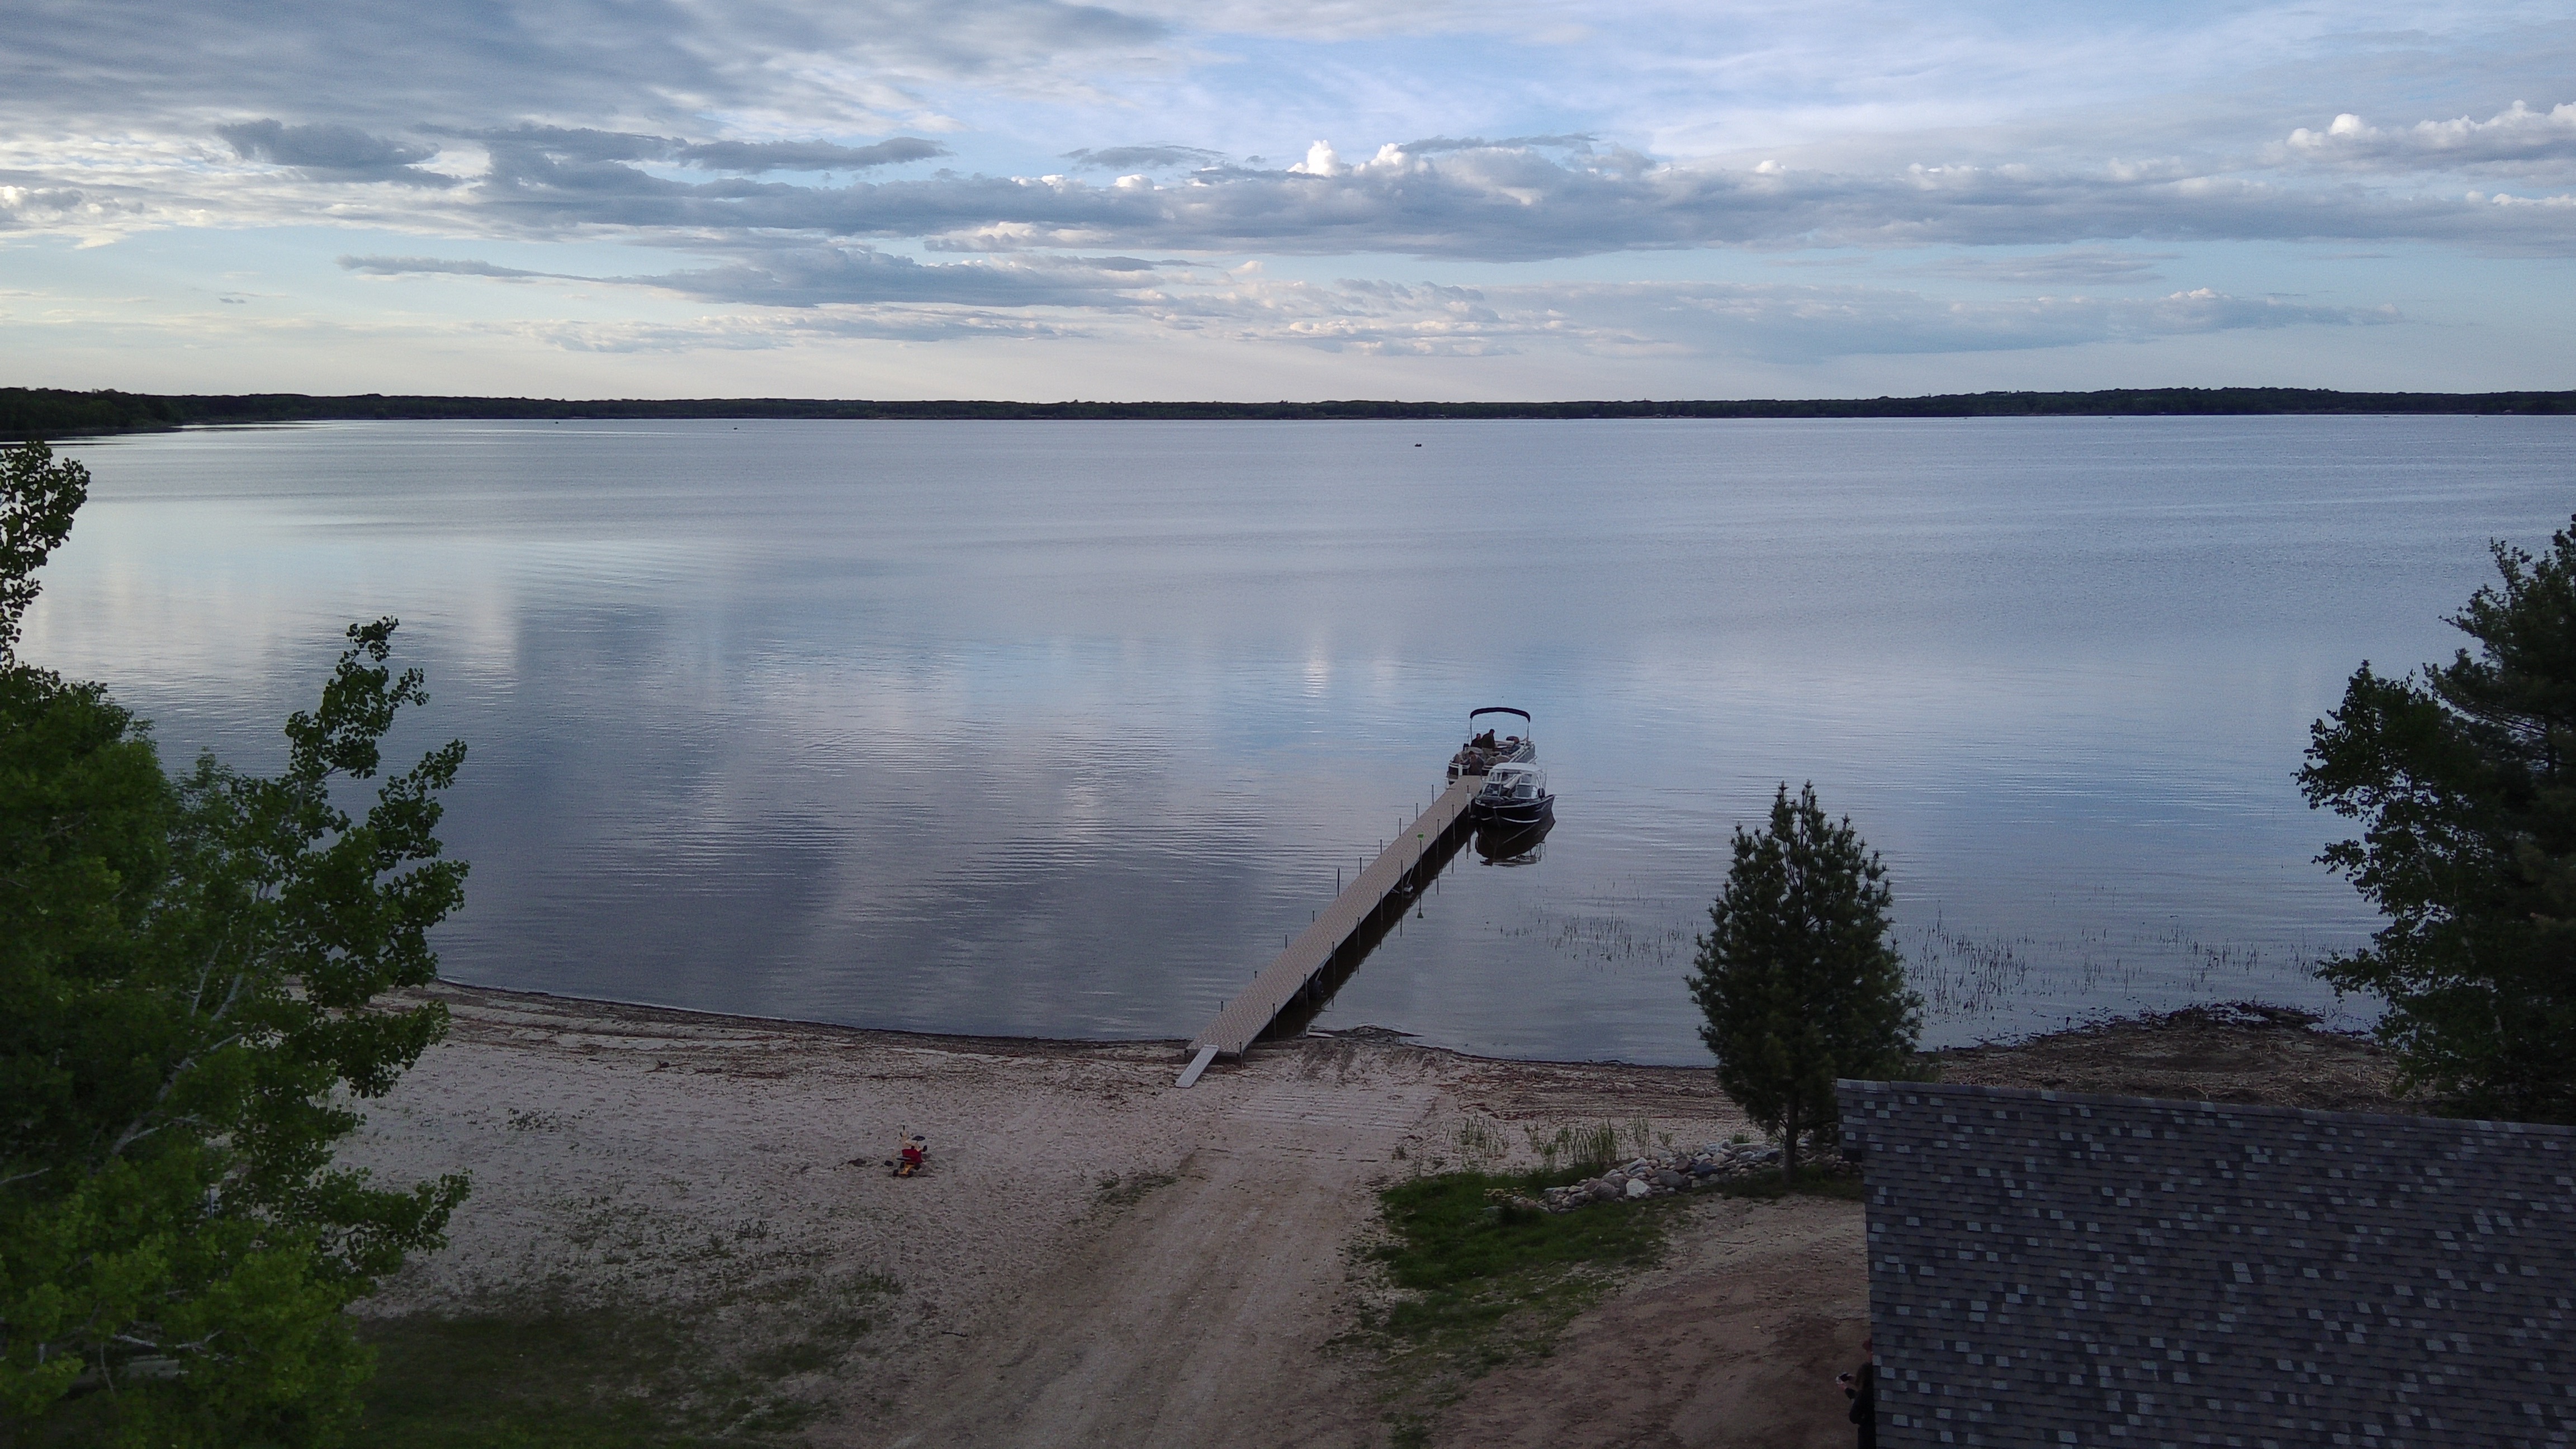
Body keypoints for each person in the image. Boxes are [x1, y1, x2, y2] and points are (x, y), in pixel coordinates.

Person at [1839, 1335, 1877, 1448]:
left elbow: (1854, 1416)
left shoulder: (1867, 1388)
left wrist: (1845, 1389)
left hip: (1869, 1435)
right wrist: (1851, 1378)